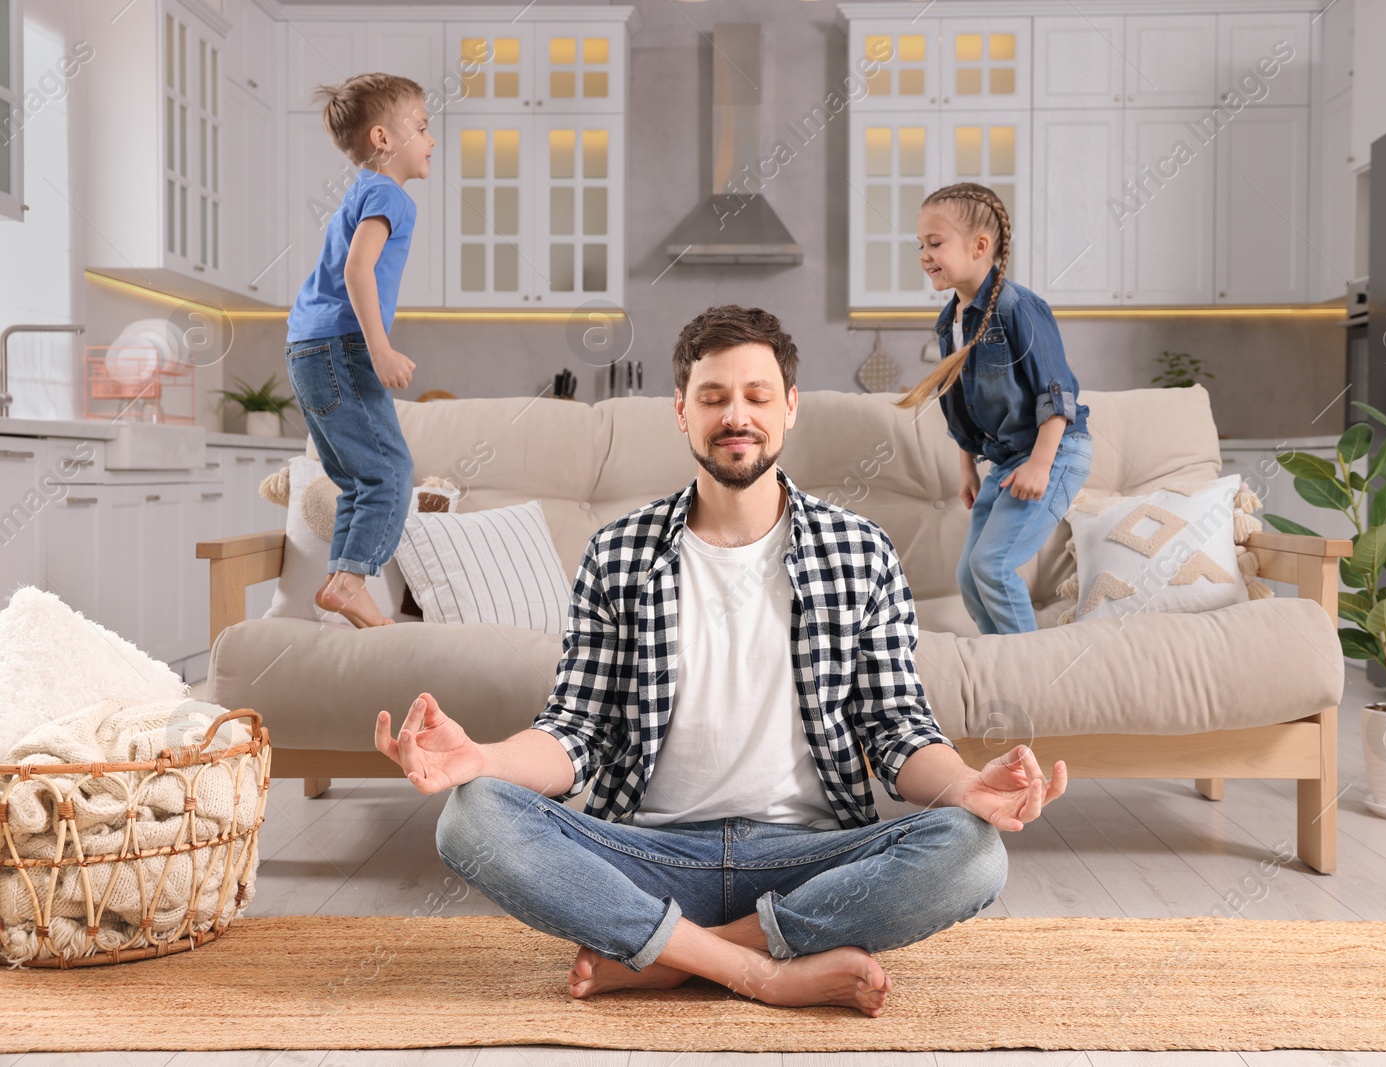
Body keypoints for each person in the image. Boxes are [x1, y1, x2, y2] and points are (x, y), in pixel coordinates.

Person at [373, 306, 1070, 1017]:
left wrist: (965, 786)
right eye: (713, 397)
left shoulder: (861, 550)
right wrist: (479, 760)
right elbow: (575, 732)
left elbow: (897, 730)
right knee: (469, 817)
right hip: (649, 854)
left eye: (757, 395)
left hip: (810, 857)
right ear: (681, 410)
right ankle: (760, 968)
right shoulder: (618, 553)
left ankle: (673, 956)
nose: (736, 414)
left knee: (975, 850)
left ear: (790, 406)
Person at [892, 182, 1094, 635]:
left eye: (935, 243)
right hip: (1005, 462)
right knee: (970, 576)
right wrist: (967, 470)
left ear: (980, 246)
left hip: (1056, 452)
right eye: (921, 244)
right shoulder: (950, 321)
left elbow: (1056, 395)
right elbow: (959, 406)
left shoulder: (1018, 308)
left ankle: (1030, 674)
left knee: (993, 565)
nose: (924, 254)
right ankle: (999, 661)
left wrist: (1041, 465)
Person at [282, 73, 433, 628]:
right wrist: (381, 350)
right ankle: (349, 583)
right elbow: (357, 268)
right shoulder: (390, 195)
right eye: (421, 127)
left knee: (358, 479)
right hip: (339, 347)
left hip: (307, 347)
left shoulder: (364, 192)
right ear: (382, 139)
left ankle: (342, 583)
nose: (431, 139)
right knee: (390, 473)